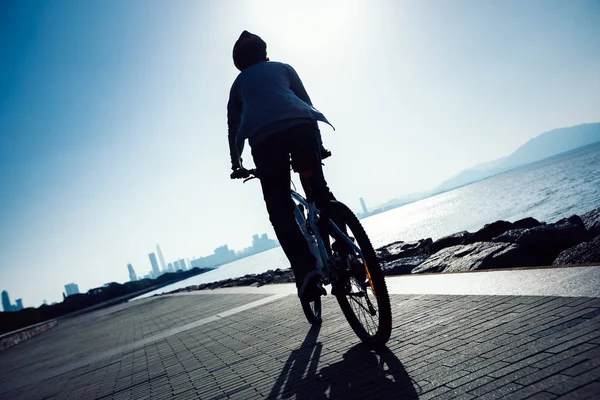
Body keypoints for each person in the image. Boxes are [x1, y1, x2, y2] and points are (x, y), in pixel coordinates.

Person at [227, 30, 335, 299]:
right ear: (265, 53)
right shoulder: (283, 68)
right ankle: (343, 254)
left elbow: (234, 126)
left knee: (280, 209)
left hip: (266, 142)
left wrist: (236, 162)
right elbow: (305, 104)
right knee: (319, 193)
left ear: (238, 63)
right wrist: (318, 144)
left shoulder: (238, 84)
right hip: (301, 129)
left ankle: (307, 271)